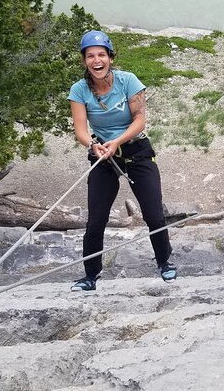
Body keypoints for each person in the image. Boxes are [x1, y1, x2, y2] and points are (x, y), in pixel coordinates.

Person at [68, 30, 176, 291]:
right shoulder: (79, 90)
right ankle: (90, 276)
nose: (96, 60)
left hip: (136, 149)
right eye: (90, 56)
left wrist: (117, 141)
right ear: (84, 61)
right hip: (103, 154)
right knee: (96, 220)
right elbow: (80, 128)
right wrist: (92, 145)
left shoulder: (128, 81)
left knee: (153, 214)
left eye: (101, 55)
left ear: (110, 58)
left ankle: (165, 263)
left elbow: (140, 120)